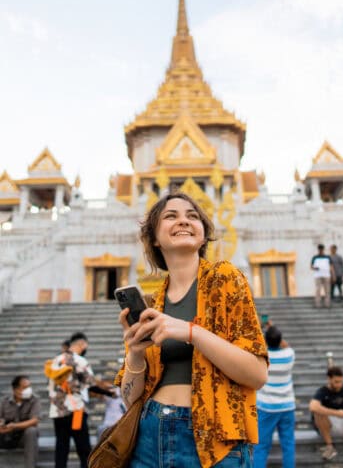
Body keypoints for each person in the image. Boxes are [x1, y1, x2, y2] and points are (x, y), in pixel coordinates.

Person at [115, 192, 268, 468]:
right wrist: (136, 354)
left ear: (203, 234)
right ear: (154, 238)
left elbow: (256, 374)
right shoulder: (154, 304)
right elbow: (130, 400)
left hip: (214, 438)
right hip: (150, 435)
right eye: (171, 216)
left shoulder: (225, 279)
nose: (184, 221)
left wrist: (190, 331)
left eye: (193, 216)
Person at [48, 331, 94, 468]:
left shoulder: (55, 361)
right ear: (82, 344)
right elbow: (90, 382)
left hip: (57, 411)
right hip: (76, 410)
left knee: (61, 448)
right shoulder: (80, 360)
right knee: (83, 448)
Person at [253, 326, 296, 468]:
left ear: (266, 340)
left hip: (266, 407)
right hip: (287, 406)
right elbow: (285, 345)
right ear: (280, 340)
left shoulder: (262, 356)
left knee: (261, 446)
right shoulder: (289, 354)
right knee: (288, 445)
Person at [309, 365, 343, 460]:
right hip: (328, 426)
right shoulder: (322, 391)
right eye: (336, 382)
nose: (339, 384)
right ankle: (330, 447)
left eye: (341, 381)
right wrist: (336, 413)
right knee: (318, 413)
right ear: (329, 379)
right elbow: (313, 406)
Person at [0, 375, 40, 468]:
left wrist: (14, 426)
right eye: (25, 387)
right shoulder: (4, 401)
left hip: (23, 437)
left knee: (32, 431)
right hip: (5, 435)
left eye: (29, 387)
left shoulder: (34, 400)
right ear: (16, 389)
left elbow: (34, 421)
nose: (29, 390)